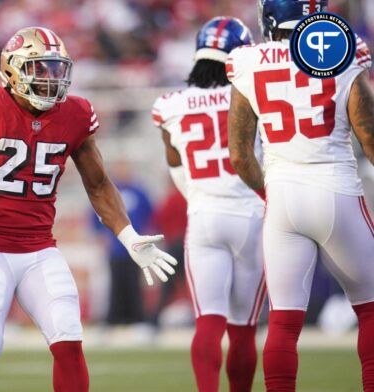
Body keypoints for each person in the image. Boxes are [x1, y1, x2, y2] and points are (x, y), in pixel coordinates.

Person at [0, 26, 178, 392]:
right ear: (12, 70)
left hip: (40, 249)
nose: (52, 79)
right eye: (41, 69)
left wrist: (129, 237)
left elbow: (98, 184)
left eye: (56, 69)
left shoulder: (76, 114)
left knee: (68, 338)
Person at [227, 1, 374, 390]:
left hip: (282, 198)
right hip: (337, 191)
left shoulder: (248, 61)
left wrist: (266, 195)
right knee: (372, 310)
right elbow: (370, 137)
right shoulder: (345, 49)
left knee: (284, 322)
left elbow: (240, 154)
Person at [153, 17, 264, 392]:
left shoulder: (169, 105)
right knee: (244, 328)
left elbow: (175, 165)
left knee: (208, 322)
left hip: (203, 216)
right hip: (252, 215)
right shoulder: (252, 93)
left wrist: (199, 197)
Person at [89, 162, 154, 326]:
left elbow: (150, 215)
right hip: (115, 248)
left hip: (135, 248)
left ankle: (137, 319)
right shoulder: (108, 192)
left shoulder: (139, 192)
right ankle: (113, 319)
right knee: (115, 284)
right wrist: (100, 236)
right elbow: (94, 214)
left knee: (134, 284)